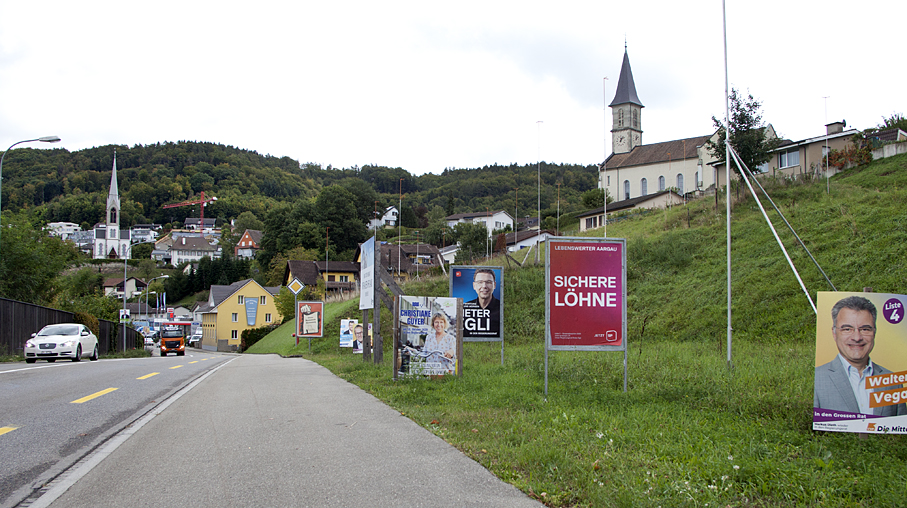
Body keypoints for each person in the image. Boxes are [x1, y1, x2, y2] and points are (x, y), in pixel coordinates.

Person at [814, 295, 906, 416]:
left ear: (875, 332)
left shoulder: (893, 381)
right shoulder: (817, 379)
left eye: (865, 329)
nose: (857, 337)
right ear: (834, 333)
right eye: (847, 329)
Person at [463, 268, 500, 337]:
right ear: (474, 286)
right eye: (480, 282)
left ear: (494, 285)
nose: (484, 286)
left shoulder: (502, 308)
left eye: (488, 282)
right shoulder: (464, 308)